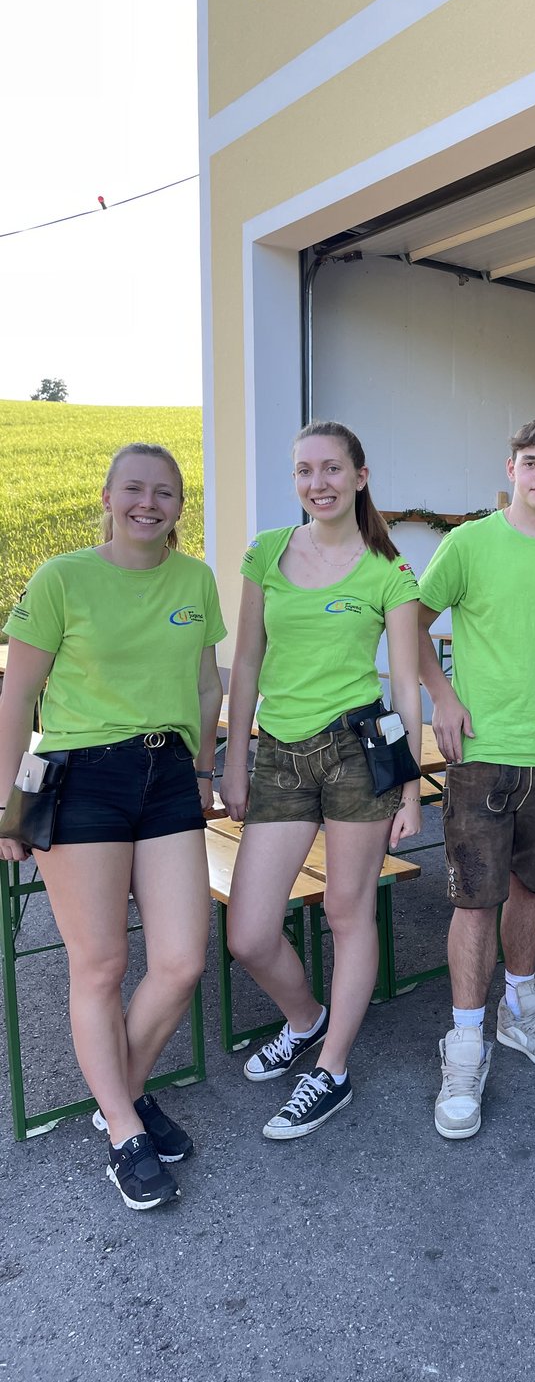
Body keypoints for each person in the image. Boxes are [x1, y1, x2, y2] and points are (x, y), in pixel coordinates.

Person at [0, 443, 224, 1210]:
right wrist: (8, 805)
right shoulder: (62, 577)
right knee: (99, 966)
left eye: (165, 492)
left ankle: (117, 1095)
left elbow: (206, 683)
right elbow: (16, 695)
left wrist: (204, 769)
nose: (148, 503)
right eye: (134, 488)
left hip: (169, 776)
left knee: (181, 961)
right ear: (107, 496)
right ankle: (126, 1129)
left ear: (179, 507)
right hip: (82, 778)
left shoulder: (195, 579)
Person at [221, 421, 422, 1139]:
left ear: (360, 477)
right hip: (278, 752)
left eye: (332, 469)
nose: (318, 483)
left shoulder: (390, 572)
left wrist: (410, 791)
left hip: (354, 753)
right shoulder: (267, 552)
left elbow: (405, 687)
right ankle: (306, 1019)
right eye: (305, 470)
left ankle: (331, 1069)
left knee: (346, 910)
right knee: (248, 934)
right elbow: (247, 662)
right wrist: (235, 760)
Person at [417, 418, 535, 1140]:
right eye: (530, 462)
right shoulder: (468, 544)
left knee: (532, 887)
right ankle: (466, 1040)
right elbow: (409, 623)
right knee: (475, 901)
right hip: (483, 753)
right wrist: (442, 698)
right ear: (510, 468)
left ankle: (521, 1011)